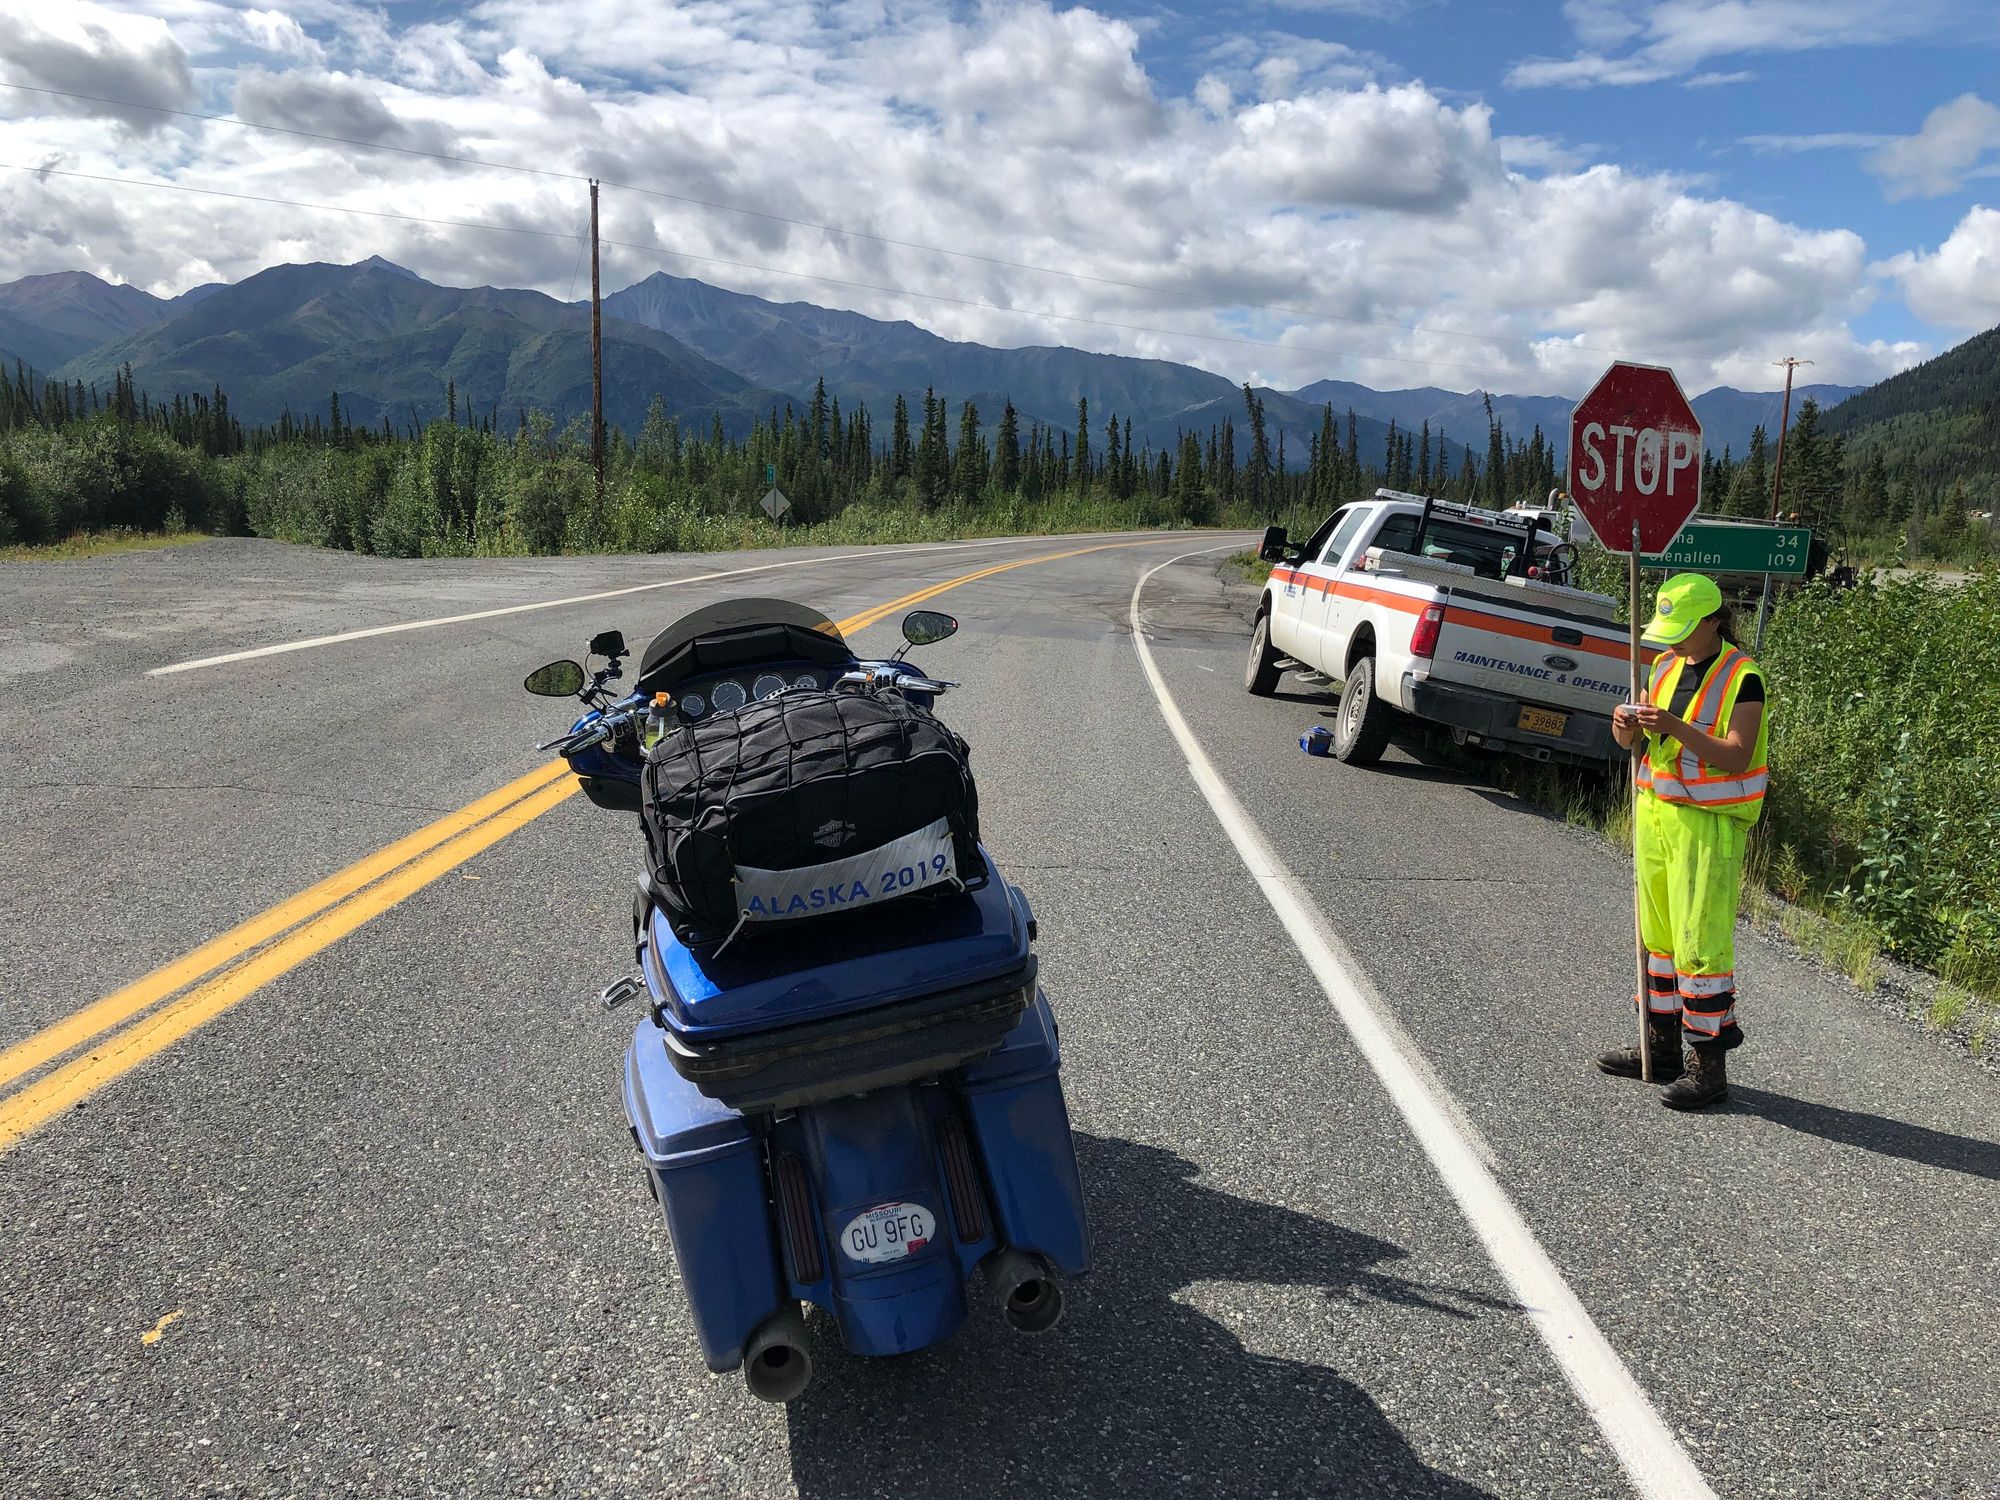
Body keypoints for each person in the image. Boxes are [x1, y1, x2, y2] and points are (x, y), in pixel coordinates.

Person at [1599, 573, 1769, 1110]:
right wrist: (1624, 724)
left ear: (1714, 621)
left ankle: (1708, 1069)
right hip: (1656, 816)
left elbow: (1736, 756)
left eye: (1683, 630)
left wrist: (1673, 725)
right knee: (1659, 940)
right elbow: (1630, 742)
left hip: (1708, 825)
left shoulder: (1743, 677)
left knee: (1700, 946)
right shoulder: (1665, 667)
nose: (1671, 641)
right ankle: (1661, 1049)